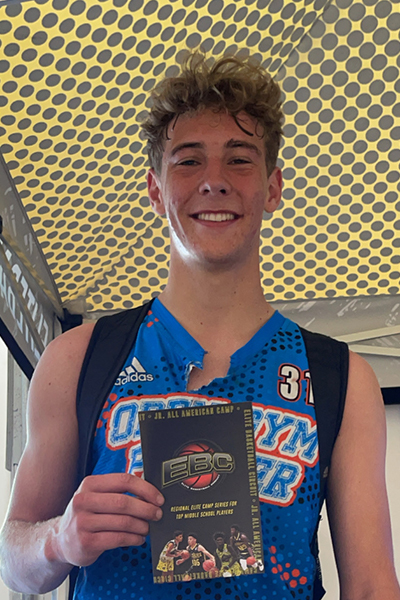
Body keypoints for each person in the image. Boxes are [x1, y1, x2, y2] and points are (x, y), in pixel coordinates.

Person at [0, 50, 399, 600]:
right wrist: (58, 540)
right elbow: (13, 560)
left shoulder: (341, 378)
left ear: (273, 187)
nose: (214, 180)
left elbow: (373, 586)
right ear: (155, 189)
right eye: (189, 161)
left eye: (239, 159)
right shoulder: (78, 358)